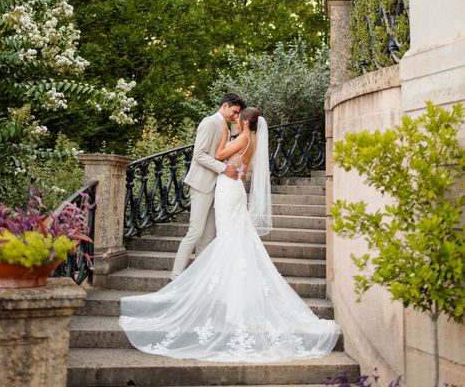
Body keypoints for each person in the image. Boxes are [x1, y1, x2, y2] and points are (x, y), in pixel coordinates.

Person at [119, 107, 340, 363]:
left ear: (245, 120)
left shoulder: (243, 138)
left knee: (228, 240)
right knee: (231, 240)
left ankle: (229, 298)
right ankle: (229, 295)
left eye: (238, 116)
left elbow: (219, 154)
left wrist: (225, 132)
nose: (235, 118)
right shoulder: (250, 139)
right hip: (231, 188)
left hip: (229, 189)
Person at [170, 91, 246, 280]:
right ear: (225, 105)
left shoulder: (226, 127)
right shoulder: (209, 122)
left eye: (238, 114)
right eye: (234, 112)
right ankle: (176, 275)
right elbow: (199, 154)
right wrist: (223, 168)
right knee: (195, 232)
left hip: (219, 188)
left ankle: (199, 278)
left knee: (209, 235)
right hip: (202, 183)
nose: (235, 116)